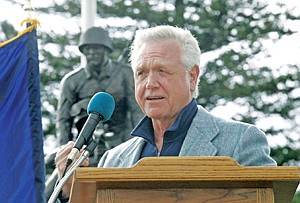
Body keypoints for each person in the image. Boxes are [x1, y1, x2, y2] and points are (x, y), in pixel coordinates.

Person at [54, 25, 277, 202]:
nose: (150, 84)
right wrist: (67, 192)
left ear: (192, 77)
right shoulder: (113, 160)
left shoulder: (241, 141)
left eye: (162, 71)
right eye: (142, 73)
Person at [56, 26, 143, 163]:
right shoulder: (71, 81)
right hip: (85, 148)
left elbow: (137, 111)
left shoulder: (125, 74)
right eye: (87, 49)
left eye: (96, 48)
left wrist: (140, 144)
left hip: (122, 144)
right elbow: (63, 121)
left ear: (106, 50)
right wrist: (65, 151)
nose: (92, 53)